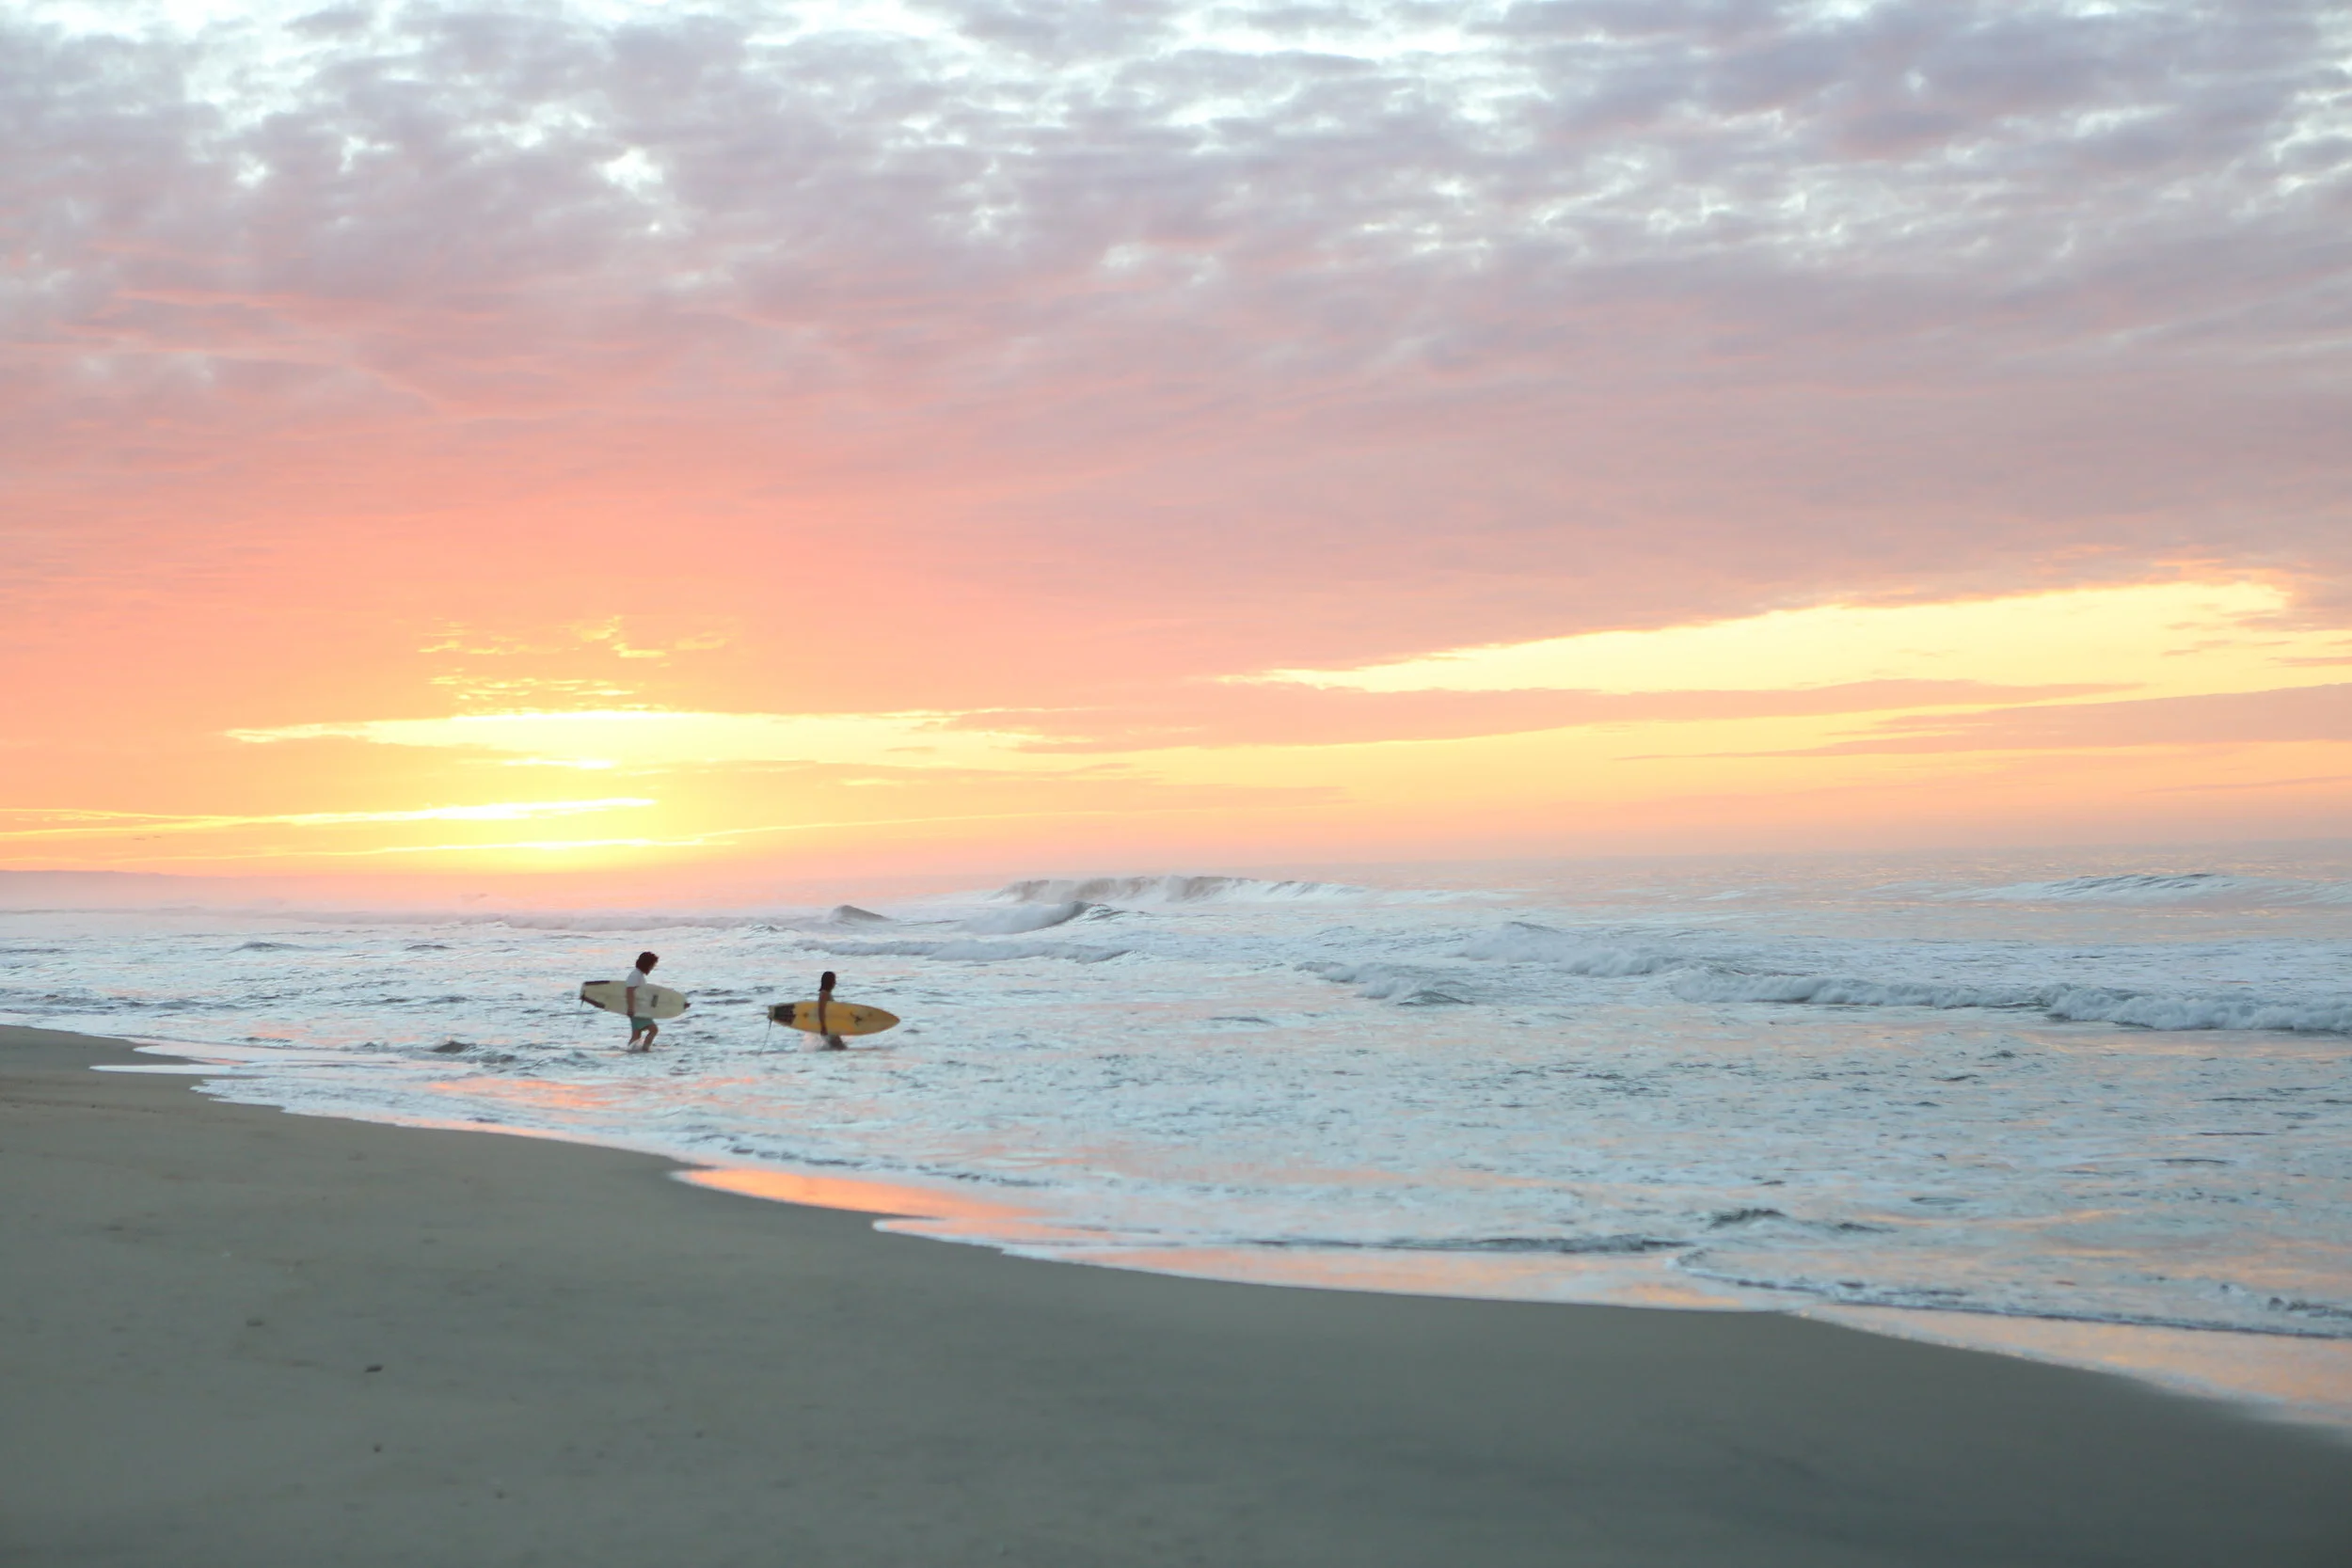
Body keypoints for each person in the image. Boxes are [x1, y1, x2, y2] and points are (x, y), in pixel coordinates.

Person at [623, 951, 661, 1053]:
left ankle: (630, 1052)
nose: (652, 968)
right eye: (652, 965)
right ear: (646, 964)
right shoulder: (635, 975)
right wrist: (631, 1008)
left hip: (638, 1009)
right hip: (637, 1010)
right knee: (654, 1030)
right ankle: (645, 1050)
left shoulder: (638, 975)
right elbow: (629, 991)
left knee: (636, 1035)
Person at [816, 969, 846, 1051]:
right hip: (828, 1028)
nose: (835, 983)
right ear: (829, 982)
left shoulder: (826, 993)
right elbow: (821, 1010)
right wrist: (823, 1027)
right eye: (834, 980)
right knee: (841, 1048)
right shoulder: (824, 994)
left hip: (830, 1027)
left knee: (836, 1048)